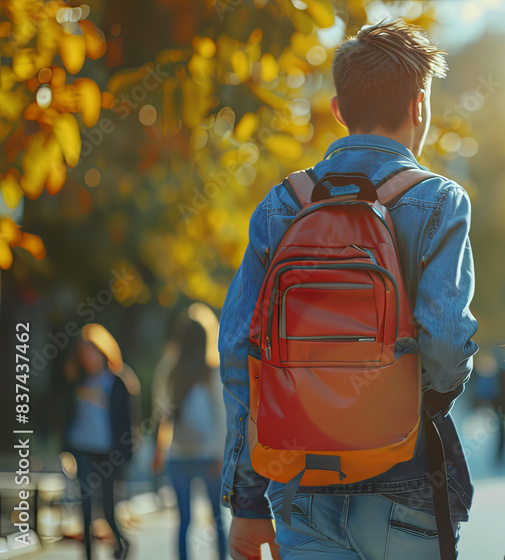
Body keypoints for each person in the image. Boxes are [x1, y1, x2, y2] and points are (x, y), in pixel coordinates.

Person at [219, 19, 478, 560]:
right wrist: (416, 400)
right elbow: (446, 341)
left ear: (338, 110)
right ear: (419, 106)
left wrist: (246, 500)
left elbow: (240, 349)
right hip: (405, 476)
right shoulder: (439, 200)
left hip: (300, 479)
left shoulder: (282, 203)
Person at [152, 303, 228, 560]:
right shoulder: (213, 371)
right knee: (217, 518)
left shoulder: (168, 371)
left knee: (183, 521)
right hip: (208, 455)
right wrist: (221, 454)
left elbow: (161, 415)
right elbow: (222, 416)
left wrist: (159, 452)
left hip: (177, 454)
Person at [63, 323, 137, 560]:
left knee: (107, 510)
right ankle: (87, 555)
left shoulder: (117, 383)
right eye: (84, 353)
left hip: (107, 453)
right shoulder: (78, 381)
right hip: (81, 449)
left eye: (92, 352)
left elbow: (127, 422)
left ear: (102, 351)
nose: (88, 358)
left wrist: (126, 455)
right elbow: (66, 415)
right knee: (85, 505)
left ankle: (122, 544)